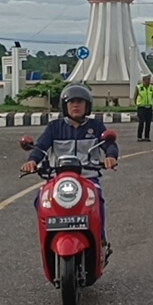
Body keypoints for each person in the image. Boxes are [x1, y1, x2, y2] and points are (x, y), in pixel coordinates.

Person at [21, 84, 120, 250]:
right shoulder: (55, 127)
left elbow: (109, 144)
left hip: (87, 178)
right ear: (65, 106)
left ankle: (100, 237)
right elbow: (41, 147)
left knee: (97, 200)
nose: (76, 105)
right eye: (72, 102)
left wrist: (111, 157)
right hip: (57, 179)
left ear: (87, 105)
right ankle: (48, 235)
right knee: (41, 200)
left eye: (80, 102)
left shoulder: (95, 127)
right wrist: (32, 161)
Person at [135, 73, 153, 142]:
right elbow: (135, 96)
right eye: (147, 79)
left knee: (148, 123)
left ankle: (147, 137)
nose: (149, 81)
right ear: (143, 80)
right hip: (141, 107)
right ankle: (139, 136)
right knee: (141, 122)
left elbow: (152, 95)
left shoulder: (152, 87)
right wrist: (137, 104)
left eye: (149, 79)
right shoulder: (139, 87)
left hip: (149, 107)